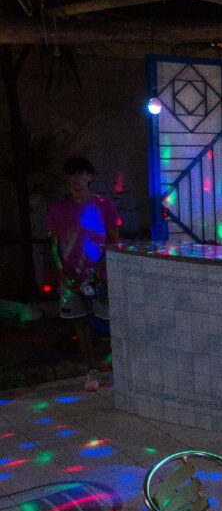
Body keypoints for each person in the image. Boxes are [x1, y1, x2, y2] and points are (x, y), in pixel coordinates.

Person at [48, 157, 119, 392]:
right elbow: (54, 245)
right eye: (72, 174)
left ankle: (117, 366)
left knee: (111, 321)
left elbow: (114, 240)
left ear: (89, 177)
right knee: (80, 323)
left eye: (81, 174)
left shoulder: (105, 206)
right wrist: (60, 271)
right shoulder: (58, 209)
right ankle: (92, 370)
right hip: (71, 277)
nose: (76, 179)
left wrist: (101, 268)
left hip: (101, 276)